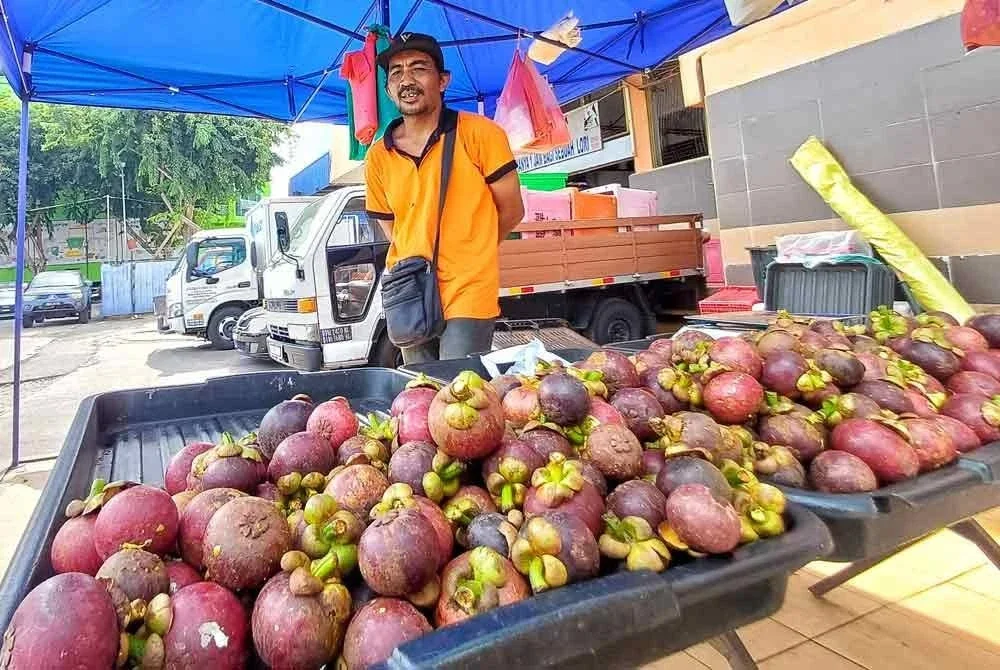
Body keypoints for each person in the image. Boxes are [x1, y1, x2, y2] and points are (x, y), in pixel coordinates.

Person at [365, 33, 525, 364]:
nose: (406, 80)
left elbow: (511, 210)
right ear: (388, 90)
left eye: (418, 68)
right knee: (422, 395)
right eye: (396, 73)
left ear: (442, 80)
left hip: (468, 289)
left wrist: (471, 252)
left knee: (458, 393)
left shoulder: (481, 134)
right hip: (408, 292)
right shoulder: (378, 155)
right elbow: (389, 224)